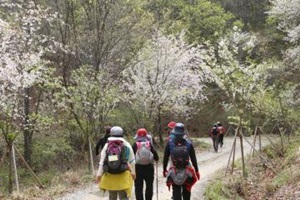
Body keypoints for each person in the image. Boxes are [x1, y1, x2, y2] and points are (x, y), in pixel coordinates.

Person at [96, 126, 136, 200]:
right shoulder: (126, 145)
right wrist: (133, 173)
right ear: (122, 134)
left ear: (111, 134)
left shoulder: (107, 145)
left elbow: (102, 161)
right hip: (123, 175)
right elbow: (132, 161)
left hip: (110, 175)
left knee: (112, 197)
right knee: (123, 197)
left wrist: (99, 174)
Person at [163, 123, 200, 200]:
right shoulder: (188, 143)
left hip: (174, 170)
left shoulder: (170, 142)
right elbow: (193, 158)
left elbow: (165, 157)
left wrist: (164, 169)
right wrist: (196, 171)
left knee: (176, 190)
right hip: (187, 170)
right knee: (186, 191)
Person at [132, 128, 159, 200]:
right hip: (149, 167)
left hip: (138, 168)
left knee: (138, 187)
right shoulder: (149, 144)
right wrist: (156, 160)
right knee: (149, 186)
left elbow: (131, 157)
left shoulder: (135, 144)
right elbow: (156, 156)